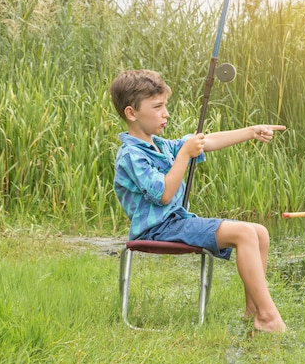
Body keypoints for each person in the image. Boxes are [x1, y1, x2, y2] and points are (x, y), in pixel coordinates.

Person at [110, 69, 287, 333]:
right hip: (158, 230)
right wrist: (184, 156)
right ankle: (269, 318)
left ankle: (253, 313)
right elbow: (164, 194)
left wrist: (251, 131)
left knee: (259, 232)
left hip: (176, 223)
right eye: (157, 107)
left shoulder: (159, 145)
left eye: (165, 106)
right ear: (131, 113)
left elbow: (206, 141)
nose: (165, 113)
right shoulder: (131, 155)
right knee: (244, 233)